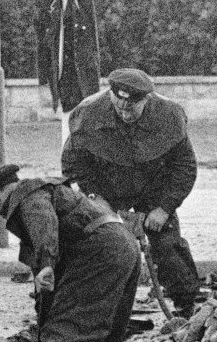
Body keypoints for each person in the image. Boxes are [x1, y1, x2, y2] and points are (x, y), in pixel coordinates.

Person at [0, 164, 140, 342]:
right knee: (106, 328)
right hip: (120, 245)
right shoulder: (43, 193)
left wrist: (46, 265)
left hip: (100, 248)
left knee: (69, 321)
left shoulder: (27, 195)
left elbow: (45, 226)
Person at [62, 68, 200, 318]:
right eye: (119, 106)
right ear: (112, 96)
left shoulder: (169, 115)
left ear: (146, 99)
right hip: (107, 189)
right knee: (106, 248)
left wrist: (164, 208)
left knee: (168, 247)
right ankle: (100, 309)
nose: (125, 113)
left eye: (132, 108)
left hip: (154, 190)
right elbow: (73, 163)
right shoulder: (88, 113)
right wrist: (95, 197)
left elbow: (185, 168)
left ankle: (186, 306)